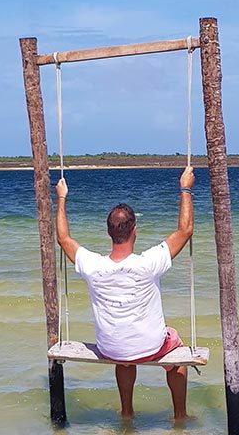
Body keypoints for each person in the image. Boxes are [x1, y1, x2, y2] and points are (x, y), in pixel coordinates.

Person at [55, 166, 195, 420]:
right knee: (176, 348)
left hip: (111, 348)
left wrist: (61, 197)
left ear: (109, 232)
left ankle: (127, 412)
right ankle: (180, 415)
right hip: (151, 347)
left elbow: (63, 238)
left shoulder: (93, 266)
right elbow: (184, 231)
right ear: (134, 231)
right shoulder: (148, 263)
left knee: (125, 359)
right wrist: (185, 188)